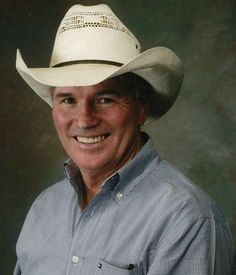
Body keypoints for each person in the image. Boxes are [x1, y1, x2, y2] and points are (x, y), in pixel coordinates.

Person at [14, 4, 234, 275]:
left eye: (105, 99)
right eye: (68, 99)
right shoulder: (44, 208)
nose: (84, 120)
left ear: (140, 108)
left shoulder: (186, 219)